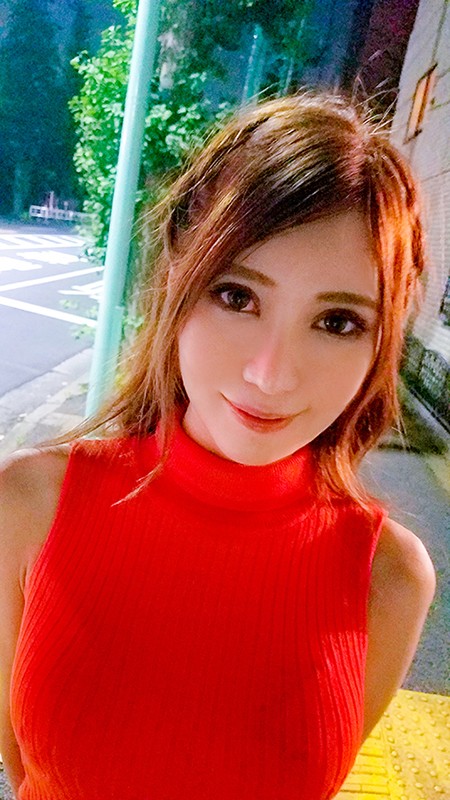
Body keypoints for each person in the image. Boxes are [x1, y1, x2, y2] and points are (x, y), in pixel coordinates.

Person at [0, 91, 436, 800]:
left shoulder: (390, 578)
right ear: (179, 277)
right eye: (237, 296)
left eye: (337, 322)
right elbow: (25, 768)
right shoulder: (29, 503)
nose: (272, 374)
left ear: (380, 344)